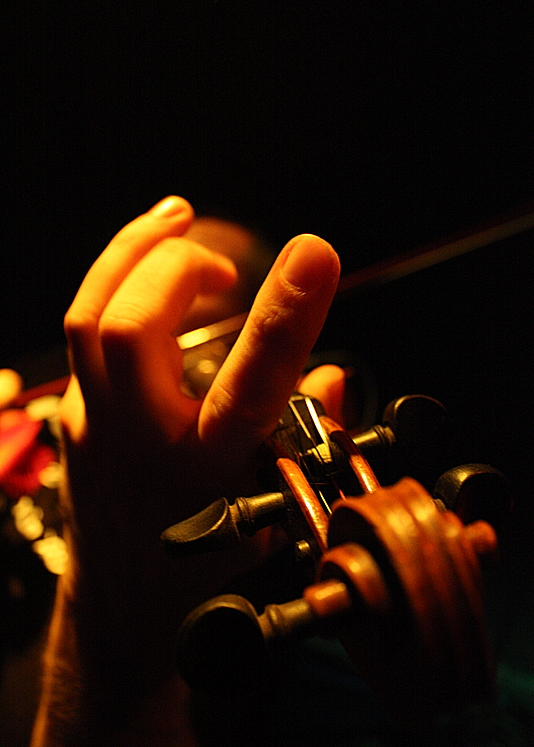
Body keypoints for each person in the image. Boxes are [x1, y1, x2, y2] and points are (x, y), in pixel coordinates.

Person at [30, 195, 344, 747]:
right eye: (117, 360)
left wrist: (112, 603)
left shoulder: (307, 665)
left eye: (197, 356)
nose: (132, 385)